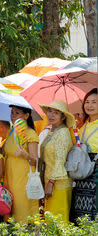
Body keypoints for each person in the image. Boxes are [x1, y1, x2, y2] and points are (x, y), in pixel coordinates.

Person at [39, 100, 74, 222]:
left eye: (56, 112)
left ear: (63, 117)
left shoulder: (63, 132)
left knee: (58, 221)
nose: (51, 115)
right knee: (51, 221)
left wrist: (51, 183)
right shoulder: (52, 131)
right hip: (50, 180)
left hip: (59, 183)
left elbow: (60, 160)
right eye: (49, 111)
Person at [2, 105, 39, 222]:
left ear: (26, 116)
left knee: (23, 211)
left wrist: (25, 155)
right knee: (10, 211)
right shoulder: (11, 132)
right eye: (12, 113)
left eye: (17, 113)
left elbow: (35, 161)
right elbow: (3, 152)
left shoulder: (30, 133)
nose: (13, 116)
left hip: (23, 180)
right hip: (10, 178)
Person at [71, 88, 98, 221]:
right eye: (87, 102)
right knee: (80, 211)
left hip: (95, 173)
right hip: (81, 174)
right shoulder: (83, 125)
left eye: (94, 102)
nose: (90, 105)